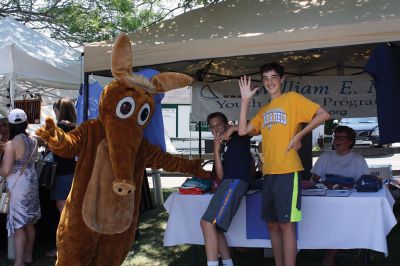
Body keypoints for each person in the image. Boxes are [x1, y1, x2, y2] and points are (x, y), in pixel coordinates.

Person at [238, 62, 330, 266]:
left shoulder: (292, 99)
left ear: (282, 79)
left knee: (286, 224)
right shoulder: (264, 110)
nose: (270, 82)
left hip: (288, 170)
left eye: (273, 77)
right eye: (265, 79)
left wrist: (300, 135)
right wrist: (245, 100)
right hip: (269, 173)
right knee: (272, 225)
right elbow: (243, 131)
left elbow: (324, 114)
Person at [310, 125, 369, 266]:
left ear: (350, 141)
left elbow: (363, 182)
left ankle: (330, 255)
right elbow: (314, 179)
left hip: (348, 200)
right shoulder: (326, 156)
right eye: (336, 136)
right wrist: (319, 184)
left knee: (341, 217)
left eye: (341, 137)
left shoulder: (357, 159)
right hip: (325, 197)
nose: (337, 140)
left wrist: (344, 185)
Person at [200, 112, 253, 266]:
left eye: (219, 125)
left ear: (227, 124)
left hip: (236, 181)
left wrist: (233, 129)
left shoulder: (238, 135)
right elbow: (221, 176)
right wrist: (216, 151)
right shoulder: (222, 144)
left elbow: (251, 129)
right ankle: (228, 263)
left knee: (207, 223)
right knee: (214, 227)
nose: (216, 129)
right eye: (212, 127)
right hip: (228, 181)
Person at [0, 109, 41, 266]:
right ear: (25, 122)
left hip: (17, 186)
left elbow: (5, 171)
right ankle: (28, 257)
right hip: (31, 181)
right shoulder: (33, 140)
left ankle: (19, 262)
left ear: (10, 125)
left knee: (18, 225)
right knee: (29, 222)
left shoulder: (12, 144)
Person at [46, 98, 77, 257]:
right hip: (72, 172)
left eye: (55, 110)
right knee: (69, 212)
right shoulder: (74, 126)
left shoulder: (61, 126)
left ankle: (63, 249)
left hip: (62, 174)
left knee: (64, 213)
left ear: (60, 110)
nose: (54, 113)